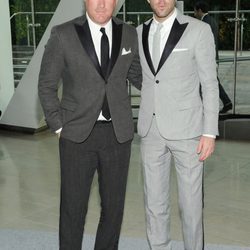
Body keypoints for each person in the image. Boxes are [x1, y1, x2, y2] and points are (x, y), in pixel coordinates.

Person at [38, 0, 142, 249]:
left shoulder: (128, 33)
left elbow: (139, 75)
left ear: (116, 1)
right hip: (76, 136)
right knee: (73, 208)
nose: (102, 4)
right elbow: (46, 85)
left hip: (118, 135)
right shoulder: (63, 34)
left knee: (114, 208)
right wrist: (59, 126)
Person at [137, 0, 219, 249]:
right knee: (154, 203)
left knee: (191, 206)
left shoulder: (198, 30)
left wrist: (209, 132)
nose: (161, 0)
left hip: (188, 132)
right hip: (150, 131)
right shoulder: (138, 32)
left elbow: (210, 83)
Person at [194, 0, 233, 114]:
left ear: (200, 10)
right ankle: (226, 102)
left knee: (206, 83)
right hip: (213, 57)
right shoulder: (212, 21)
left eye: (195, 11)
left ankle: (209, 106)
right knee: (212, 81)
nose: (194, 14)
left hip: (207, 58)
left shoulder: (204, 24)